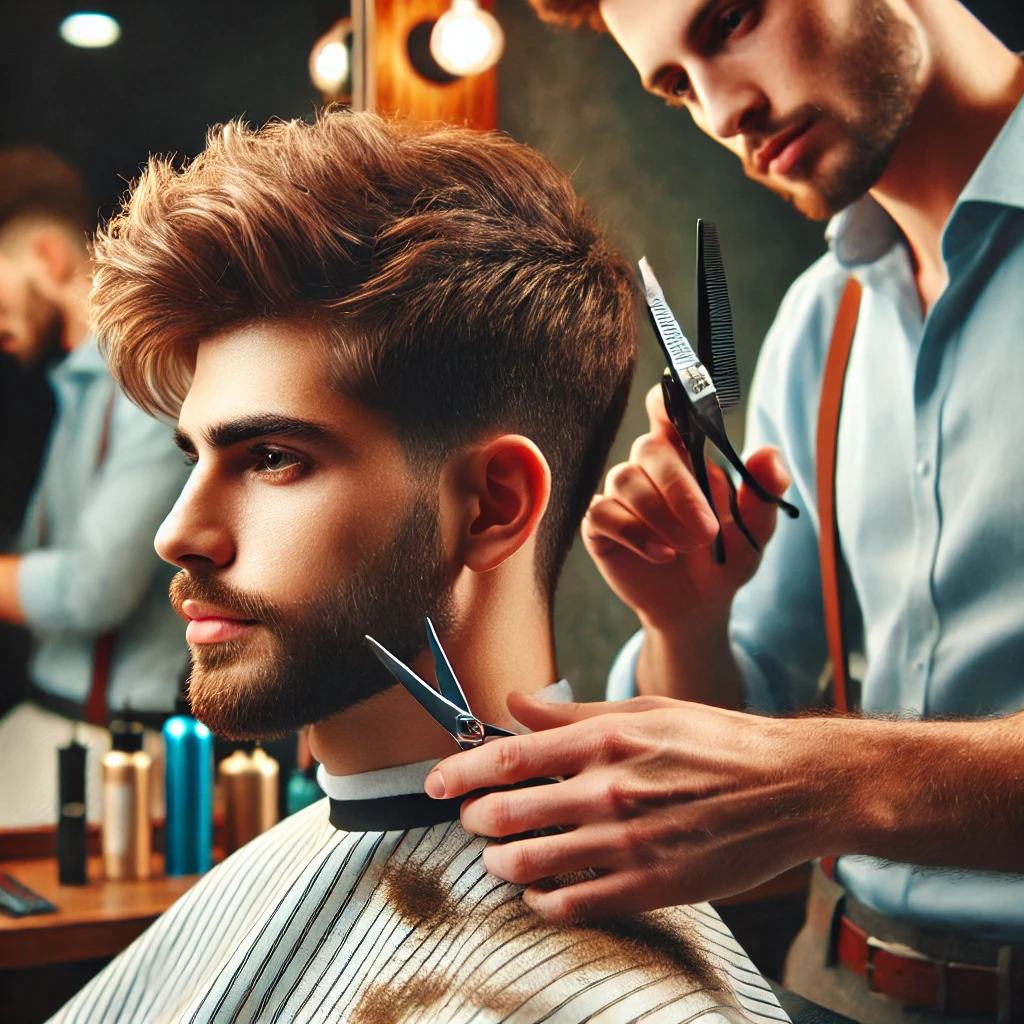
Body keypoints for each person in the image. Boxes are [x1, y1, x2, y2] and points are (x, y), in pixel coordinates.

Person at [51, 110, 788, 1024]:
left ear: (493, 506)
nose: (178, 533)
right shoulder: (298, 852)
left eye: (274, 457)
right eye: (191, 458)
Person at [418, 1, 1024, 1019]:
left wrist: (826, 782)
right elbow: (739, 741)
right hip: (832, 980)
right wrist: (684, 619)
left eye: (733, 20)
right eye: (673, 86)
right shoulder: (818, 329)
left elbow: (788, 776)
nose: (723, 109)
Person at [0, 147, 190, 827]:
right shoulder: (76, 390)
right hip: (48, 729)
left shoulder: (144, 387)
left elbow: (90, 589)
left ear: (48, 257)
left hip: (114, 754)